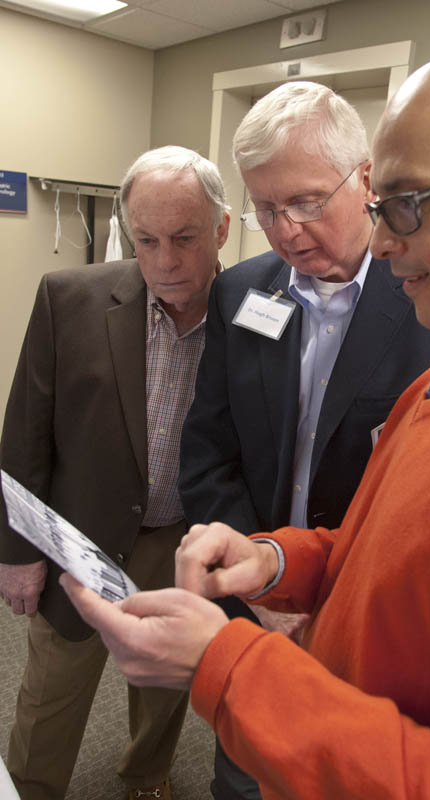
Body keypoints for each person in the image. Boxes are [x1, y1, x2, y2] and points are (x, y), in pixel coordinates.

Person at [62, 37, 430, 799]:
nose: (381, 241)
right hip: (305, 718)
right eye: (382, 211)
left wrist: (224, 664)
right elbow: (387, 551)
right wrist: (277, 564)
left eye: (404, 205)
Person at [177, 80, 430, 800]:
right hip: (255, 601)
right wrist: (256, 585)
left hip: (371, 622)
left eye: (306, 201)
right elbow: (209, 453)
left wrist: (324, 599)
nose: (287, 230)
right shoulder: (242, 292)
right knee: (242, 777)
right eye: (266, 209)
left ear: (363, 179)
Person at [0, 145, 230, 800]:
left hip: (183, 541)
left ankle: (146, 778)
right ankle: (31, 788)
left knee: (163, 688)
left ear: (220, 228)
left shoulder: (252, 311)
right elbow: (24, 434)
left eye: (185, 238)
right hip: (79, 537)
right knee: (51, 691)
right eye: (146, 239)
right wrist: (16, 552)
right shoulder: (68, 298)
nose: (165, 261)